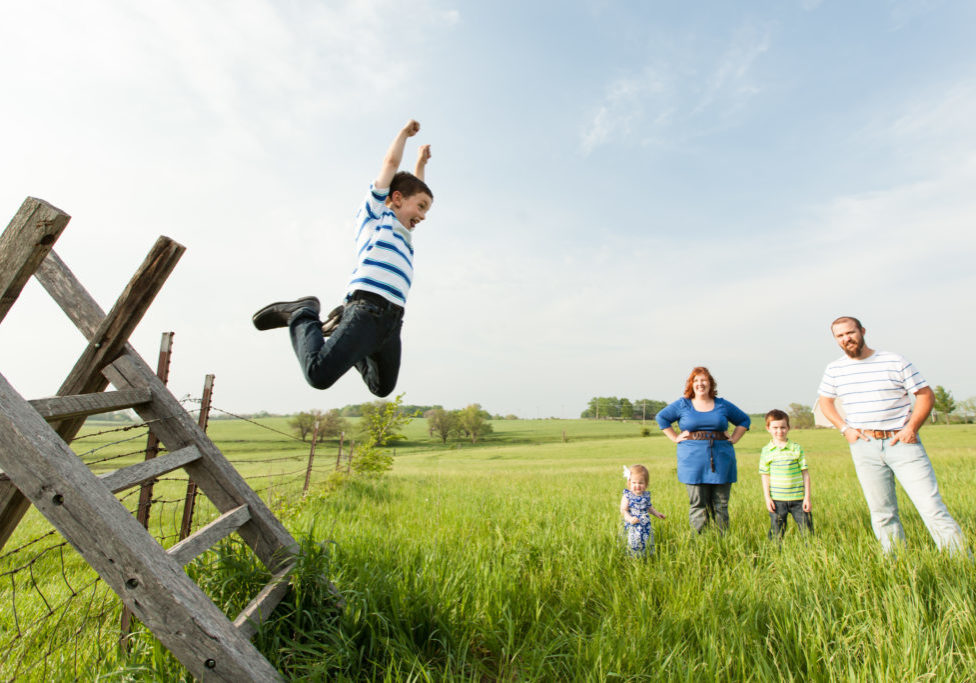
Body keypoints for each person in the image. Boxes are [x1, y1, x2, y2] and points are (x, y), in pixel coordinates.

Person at [251, 120, 433, 397]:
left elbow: (416, 188)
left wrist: (421, 162)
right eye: (421, 207)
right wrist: (404, 136)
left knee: (381, 387)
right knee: (318, 375)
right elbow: (390, 164)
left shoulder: (405, 235)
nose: (423, 216)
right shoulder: (376, 217)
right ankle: (301, 313)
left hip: (392, 321)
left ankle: (340, 326)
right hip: (366, 308)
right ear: (396, 198)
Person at [818, 316, 965, 553]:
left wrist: (911, 428)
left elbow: (925, 395)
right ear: (836, 340)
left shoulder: (893, 361)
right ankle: (896, 564)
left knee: (931, 507)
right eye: (840, 336)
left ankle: (962, 563)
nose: (847, 339)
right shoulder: (835, 369)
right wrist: (845, 429)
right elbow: (825, 402)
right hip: (864, 446)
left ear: (862, 331)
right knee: (882, 512)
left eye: (850, 333)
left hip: (902, 443)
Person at [656, 367, 750, 534]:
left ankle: (722, 540)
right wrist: (675, 437)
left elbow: (744, 419)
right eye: (696, 380)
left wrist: (734, 438)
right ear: (691, 384)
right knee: (698, 504)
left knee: (721, 504)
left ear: (710, 383)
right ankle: (700, 542)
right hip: (692, 462)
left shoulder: (722, 404)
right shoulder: (683, 404)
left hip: (721, 460)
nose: (700, 384)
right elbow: (661, 417)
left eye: (704, 380)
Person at [759, 409, 813, 540]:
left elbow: (805, 474)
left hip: (798, 499)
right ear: (768, 428)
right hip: (777, 500)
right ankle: (775, 554)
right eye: (775, 428)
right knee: (777, 532)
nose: (779, 431)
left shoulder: (796, 448)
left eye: (783, 427)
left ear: (788, 428)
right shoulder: (766, 451)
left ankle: (811, 553)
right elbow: (765, 476)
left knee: (807, 531)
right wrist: (768, 498)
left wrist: (807, 498)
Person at [620, 464, 666, 557]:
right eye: (634, 483)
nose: (637, 486)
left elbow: (649, 507)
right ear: (629, 483)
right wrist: (629, 519)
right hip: (633, 524)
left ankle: (645, 557)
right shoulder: (628, 496)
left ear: (646, 484)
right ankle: (632, 558)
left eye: (641, 483)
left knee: (645, 541)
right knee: (633, 542)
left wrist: (657, 514)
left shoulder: (645, 495)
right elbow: (623, 510)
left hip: (645, 525)